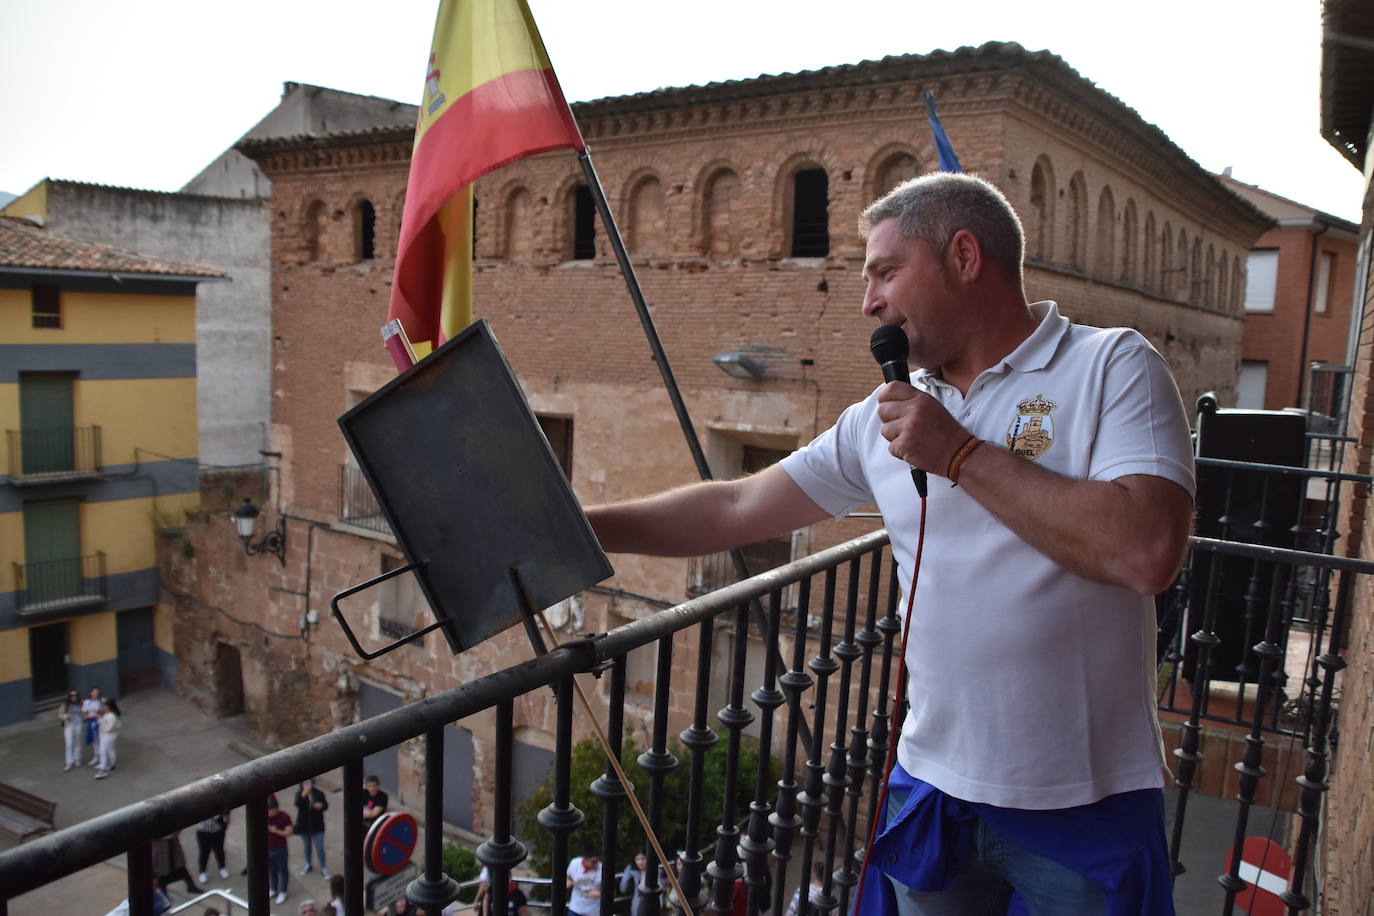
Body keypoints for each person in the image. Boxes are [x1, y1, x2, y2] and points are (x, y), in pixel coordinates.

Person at [586, 173, 1194, 915]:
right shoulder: (884, 414)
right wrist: (583, 525)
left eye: (884, 271)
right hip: (933, 786)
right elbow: (738, 504)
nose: (868, 300)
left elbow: (1146, 551)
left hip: (1081, 802)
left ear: (964, 256)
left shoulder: (1111, 366)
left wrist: (963, 456)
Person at [294, 777, 330, 877]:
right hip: (304, 826)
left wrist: (321, 805)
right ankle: (308, 864)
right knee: (307, 846)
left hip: (317, 826)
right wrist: (304, 793)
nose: (307, 785)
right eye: (304, 783)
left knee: (320, 848)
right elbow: (297, 803)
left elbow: (326, 806)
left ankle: (323, 868)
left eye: (308, 782)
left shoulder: (318, 793)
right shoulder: (299, 793)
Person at [266, 793, 295, 905]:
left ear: (277, 809)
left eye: (272, 812)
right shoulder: (266, 816)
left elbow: (289, 832)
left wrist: (275, 830)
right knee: (272, 870)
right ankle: (273, 889)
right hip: (268, 849)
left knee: (283, 871)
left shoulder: (284, 816)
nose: (270, 815)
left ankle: (283, 891)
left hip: (280, 849)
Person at [154, 831, 201, 897]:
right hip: (160, 851)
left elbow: (177, 828)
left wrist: (172, 835)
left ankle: (191, 887)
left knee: (182, 870)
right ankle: (164, 894)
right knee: (162, 876)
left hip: (173, 848)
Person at [195, 809, 232, 884]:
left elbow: (226, 812)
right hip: (203, 831)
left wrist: (226, 820)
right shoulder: (198, 804)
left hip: (217, 831)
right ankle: (202, 872)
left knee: (219, 850)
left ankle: (222, 868)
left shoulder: (218, 801)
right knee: (204, 852)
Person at [566, 850, 602, 916]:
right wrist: (568, 882)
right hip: (575, 909)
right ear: (585, 859)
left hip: (593, 911)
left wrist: (600, 894)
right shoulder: (574, 863)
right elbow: (568, 876)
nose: (595, 864)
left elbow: (612, 892)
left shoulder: (602, 869)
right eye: (593, 862)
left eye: (597, 862)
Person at [93, 697, 121, 779]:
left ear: (109, 706)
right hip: (109, 735)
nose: (103, 707)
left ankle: (103, 770)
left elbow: (108, 728)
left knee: (103, 751)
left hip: (108, 735)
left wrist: (100, 720)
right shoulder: (110, 713)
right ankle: (112, 765)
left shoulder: (111, 716)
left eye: (104, 705)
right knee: (110, 749)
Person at [59, 689, 83, 770]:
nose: (74, 697)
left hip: (78, 724)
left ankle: (77, 759)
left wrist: (82, 712)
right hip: (69, 725)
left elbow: (85, 712)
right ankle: (69, 762)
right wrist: (67, 716)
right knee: (69, 744)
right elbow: (60, 714)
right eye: (72, 695)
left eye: (75, 695)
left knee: (77, 742)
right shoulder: (65, 704)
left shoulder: (81, 703)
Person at [81, 686, 103, 766]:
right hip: (91, 722)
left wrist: (98, 712)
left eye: (97, 692)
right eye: (94, 692)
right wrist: (91, 716)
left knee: (100, 739)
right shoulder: (87, 702)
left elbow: (102, 712)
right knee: (95, 740)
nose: (95, 694)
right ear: (90, 693)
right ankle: (96, 756)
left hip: (99, 721)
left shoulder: (100, 702)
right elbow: (84, 715)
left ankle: (101, 757)